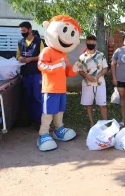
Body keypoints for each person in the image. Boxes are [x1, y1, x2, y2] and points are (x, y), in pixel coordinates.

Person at [37, 15, 81, 151]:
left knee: (60, 111)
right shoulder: (47, 51)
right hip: (50, 88)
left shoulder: (64, 55)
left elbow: (66, 72)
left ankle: (58, 129)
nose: (68, 37)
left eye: (72, 33)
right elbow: (41, 66)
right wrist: (56, 65)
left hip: (62, 89)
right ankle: (43, 134)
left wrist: (74, 69)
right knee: (48, 112)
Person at [17, 21, 45, 129]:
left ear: (29, 29)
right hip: (25, 74)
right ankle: (30, 120)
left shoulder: (39, 41)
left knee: (37, 97)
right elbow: (18, 56)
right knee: (27, 97)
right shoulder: (20, 42)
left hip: (37, 73)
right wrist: (21, 59)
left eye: (24, 30)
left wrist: (31, 59)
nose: (22, 33)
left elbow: (43, 56)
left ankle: (39, 121)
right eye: (21, 31)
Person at [78, 35, 109, 127]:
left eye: (93, 43)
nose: (91, 44)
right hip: (87, 84)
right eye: (89, 42)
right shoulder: (81, 57)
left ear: (95, 43)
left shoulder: (101, 55)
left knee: (102, 104)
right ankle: (91, 123)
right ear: (86, 42)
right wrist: (87, 76)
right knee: (89, 104)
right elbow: (79, 70)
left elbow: (105, 68)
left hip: (100, 83)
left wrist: (98, 76)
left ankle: (105, 123)